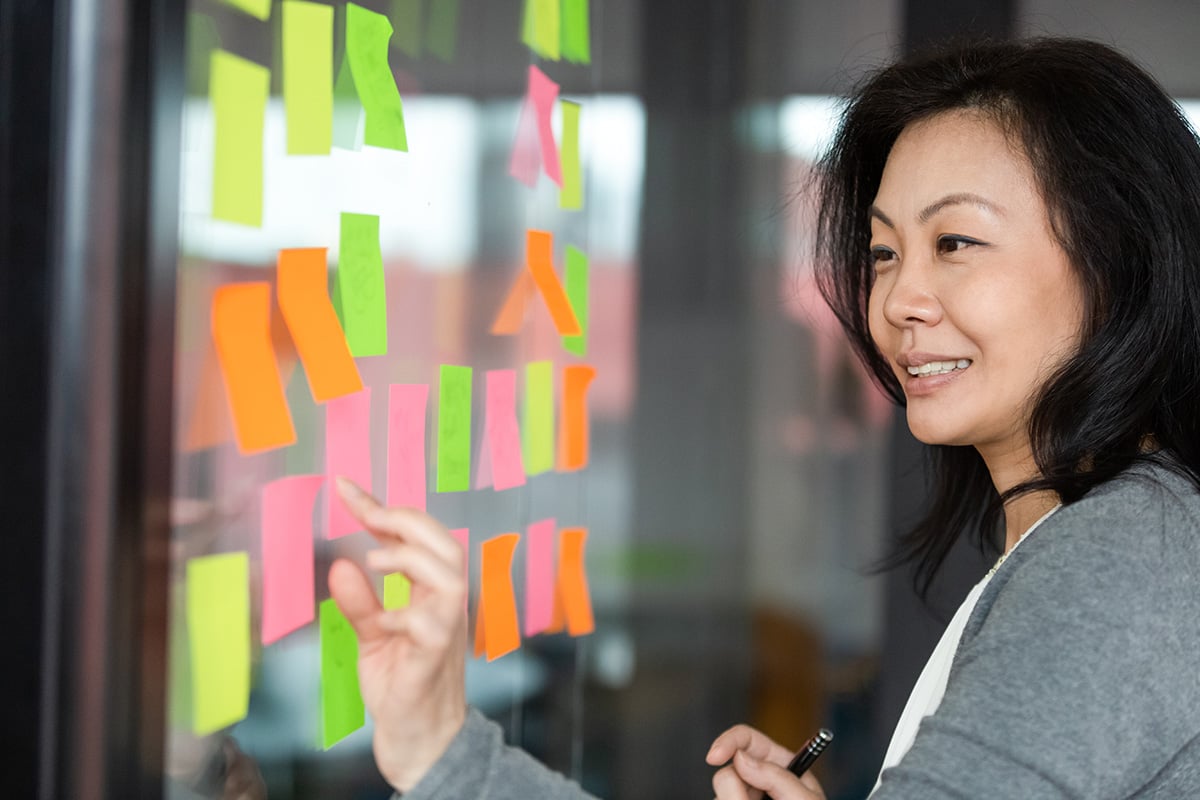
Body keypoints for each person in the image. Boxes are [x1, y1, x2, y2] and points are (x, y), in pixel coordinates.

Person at [328, 36, 1200, 799]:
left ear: (1115, 263)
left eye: (955, 243)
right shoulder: (1109, 539)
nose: (898, 299)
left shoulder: (1118, 560)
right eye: (884, 252)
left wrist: (447, 753)